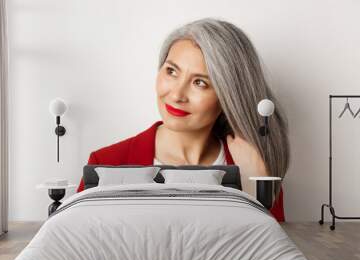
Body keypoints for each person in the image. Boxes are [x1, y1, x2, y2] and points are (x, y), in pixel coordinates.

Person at [76, 18, 290, 222]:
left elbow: (278, 250)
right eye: (171, 71)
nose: (177, 95)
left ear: (229, 96)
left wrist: (255, 184)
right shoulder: (105, 162)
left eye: (200, 82)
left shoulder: (254, 164)